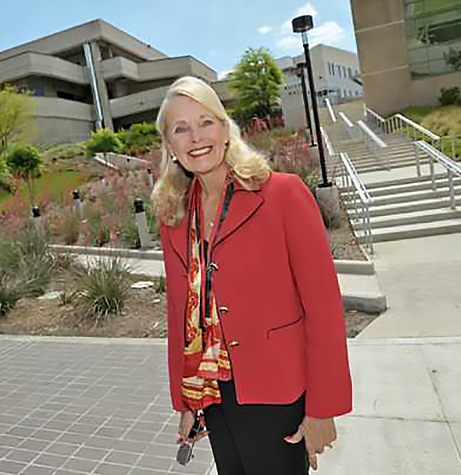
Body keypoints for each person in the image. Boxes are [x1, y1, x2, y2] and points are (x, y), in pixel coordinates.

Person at [151, 76, 352, 475]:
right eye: (181, 129)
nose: (196, 137)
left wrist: (322, 409)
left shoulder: (283, 195)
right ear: (170, 147)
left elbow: (324, 308)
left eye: (206, 122)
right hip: (214, 396)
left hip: (276, 393)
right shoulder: (174, 218)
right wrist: (188, 402)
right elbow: (180, 315)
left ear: (226, 130)